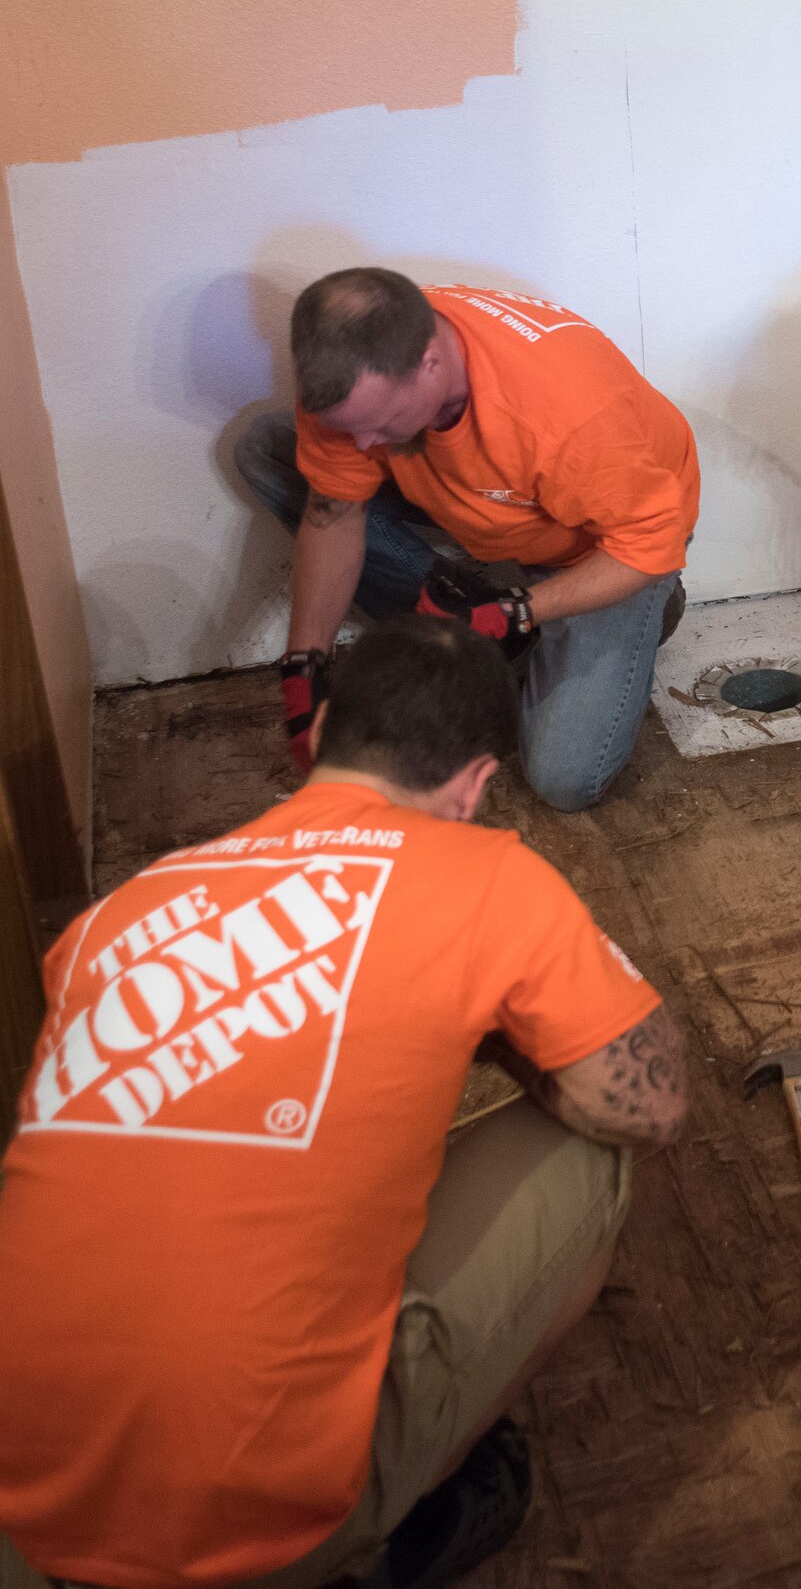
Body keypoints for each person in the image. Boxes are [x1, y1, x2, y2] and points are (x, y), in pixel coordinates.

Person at [0, 616, 689, 1588]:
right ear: (478, 785)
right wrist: (508, 1048)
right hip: (252, 1535)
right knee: (591, 1158)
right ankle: (400, 1513)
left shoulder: (122, 912)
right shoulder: (488, 877)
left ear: (321, 735)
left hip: (22, 1508)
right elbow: (651, 1106)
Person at [236, 268, 701, 813]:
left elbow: (646, 543)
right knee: (268, 450)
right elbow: (334, 513)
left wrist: (515, 612)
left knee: (565, 779)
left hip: (610, 543)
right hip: (488, 496)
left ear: (430, 363)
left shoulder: (566, 413)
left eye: (382, 423)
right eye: (351, 427)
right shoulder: (359, 369)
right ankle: (470, 614)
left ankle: (635, 612)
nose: (362, 443)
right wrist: (304, 667)